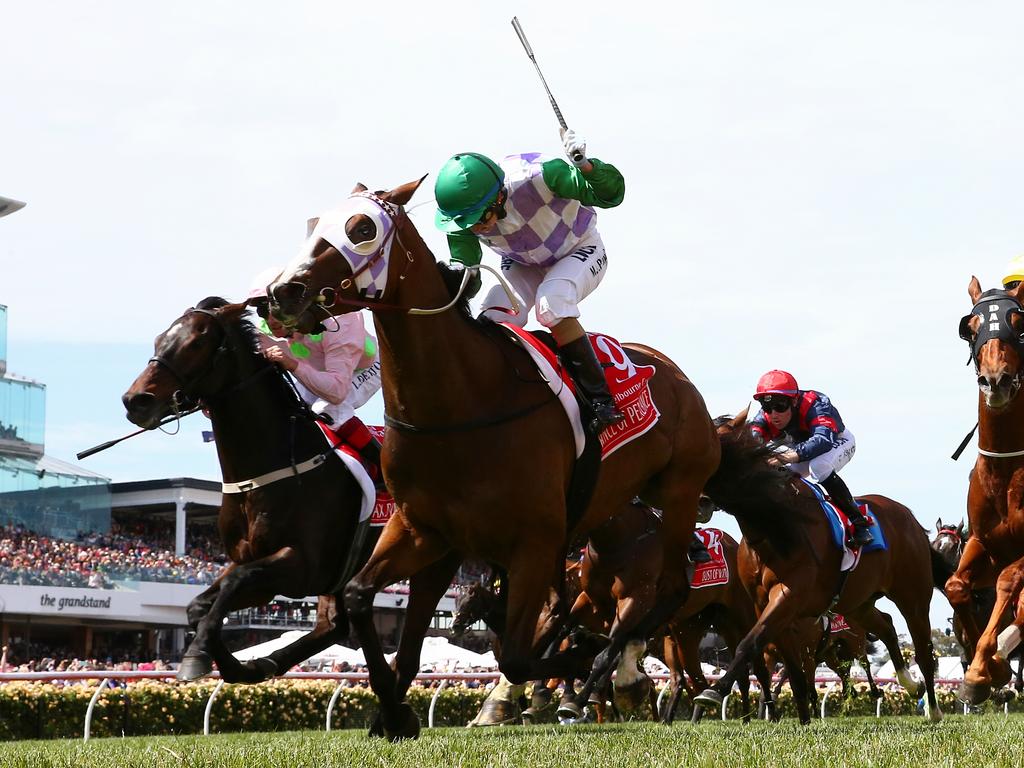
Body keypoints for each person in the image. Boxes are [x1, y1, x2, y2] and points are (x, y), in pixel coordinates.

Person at [433, 130, 626, 433]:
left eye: (478, 218)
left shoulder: (544, 175)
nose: (475, 228)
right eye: (468, 223)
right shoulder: (459, 220)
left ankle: (601, 402)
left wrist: (586, 166)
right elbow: (468, 273)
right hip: (523, 262)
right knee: (492, 317)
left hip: (579, 248)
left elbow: (611, 195)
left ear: (498, 196)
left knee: (552, 302)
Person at [247, 273, 383, 482]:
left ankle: (384, 469)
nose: (270, 319)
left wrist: (292, 364)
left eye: (275, 309)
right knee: (293, 411)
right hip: (318, 370)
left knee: (326, 409)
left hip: (362, 369)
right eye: (263, 311)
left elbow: (336, 392)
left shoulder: (338, 323)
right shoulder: (266, 328)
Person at [749, 370, 874, 547]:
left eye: (780, 406)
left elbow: (823, 441)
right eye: (767, 407)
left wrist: (786, 456)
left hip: (836, 440)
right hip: (802, 447)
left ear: (793, 401)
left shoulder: (816, 404)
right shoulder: (764, 418)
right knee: (775, 471)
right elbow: (751, 444)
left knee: (819, 466)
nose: (774, 414)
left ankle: (859, 522)